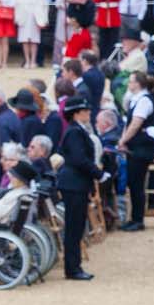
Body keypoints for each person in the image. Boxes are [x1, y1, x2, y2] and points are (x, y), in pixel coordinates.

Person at [54, 94, 100, 281]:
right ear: (75, 114)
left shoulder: (78, 130)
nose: (88, 113)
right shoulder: (74, 132)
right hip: (73, 183)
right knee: (74, 227)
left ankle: (74, 266)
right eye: (84, 111)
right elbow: (78, 159)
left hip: (77, 183)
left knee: (77, 226)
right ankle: (72, 268)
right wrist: (97, 173)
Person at [115, 69, 154, 230]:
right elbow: (129, 124)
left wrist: (123, 140)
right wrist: (123, 141)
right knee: (133, 182)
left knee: (137, 183)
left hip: (142, 148)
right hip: (135, 147)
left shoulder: (144, 100)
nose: (129, 84)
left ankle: (138, 219)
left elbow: (136, 124)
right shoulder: (136, 99)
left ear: (138, 84)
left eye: (131, 81)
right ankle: (134, 217)